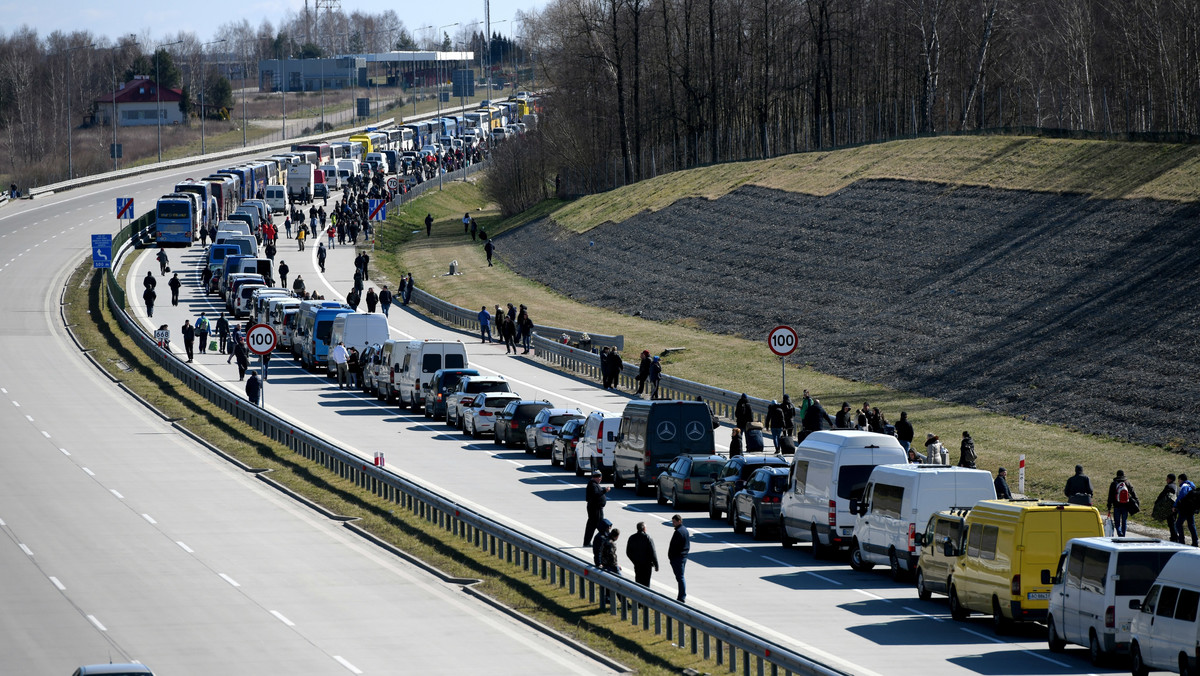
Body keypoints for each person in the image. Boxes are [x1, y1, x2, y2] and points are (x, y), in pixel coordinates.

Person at [1105, 470, 1139, 537]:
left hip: (1116, 506)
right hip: (1125, 506)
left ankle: (1119, 533)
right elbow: (1133, 493)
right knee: (1124, 521)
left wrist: (1109, 506)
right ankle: (1123, 535)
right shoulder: (1127, 483)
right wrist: (1137, 501)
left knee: (1117, 522)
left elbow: (1110, 496)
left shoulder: (1113, 484)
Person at [626, 522, 659, 586]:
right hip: (647, 565)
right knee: (646, 583)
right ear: (644, 529)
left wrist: (634, 561)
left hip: (637, 564)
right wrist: (656, 565)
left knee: (638, 581)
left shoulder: (632, 537)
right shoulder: (647, 537)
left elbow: (628, 552)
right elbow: (653, 552)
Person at [583, 469, 609, 546]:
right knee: (600, 524)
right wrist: (604, 490)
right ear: (596, 477)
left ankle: (587, 542)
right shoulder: (593, 485)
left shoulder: (594, 484)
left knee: (591, 525)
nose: (600, 479)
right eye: (599, 477)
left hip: (595, 508)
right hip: (595, 508)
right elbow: (595, 495)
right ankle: (605, 540)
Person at [668, 515, 690, 603]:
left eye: (674, 522)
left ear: (679, 521)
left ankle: (682, 596)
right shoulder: (684, 530)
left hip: (678, 558)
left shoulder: (679, 532)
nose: (673, 524)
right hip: (683, 557)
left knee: (680, 577)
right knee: (680, 577)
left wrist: (671, 557)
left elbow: (674, 546)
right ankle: (681, 595)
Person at [1173, 474, 1197, 546]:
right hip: (1191, 509)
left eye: (1179, 480)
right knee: (1191, 525)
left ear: (1181, 479)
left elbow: (1181, 496)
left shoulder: (1184, 486)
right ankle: (1195, 542)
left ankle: (1181, 541)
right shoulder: (1192, 486)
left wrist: (1175, 505)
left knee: (1178, 524)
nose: (1178, 481)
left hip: (1184, 509)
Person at [1154, 474, 1179, 542]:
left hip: (1169, 508)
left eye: (1167, 478)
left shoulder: (1168, 486)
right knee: (1173, 521)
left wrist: (1157, 503)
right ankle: (1175, 536)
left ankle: (1174, 537)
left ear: (1170, 479)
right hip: (1176, 507)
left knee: (1171, 523)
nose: (1166, 480)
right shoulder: (1177, 487)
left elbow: (1162, 495)